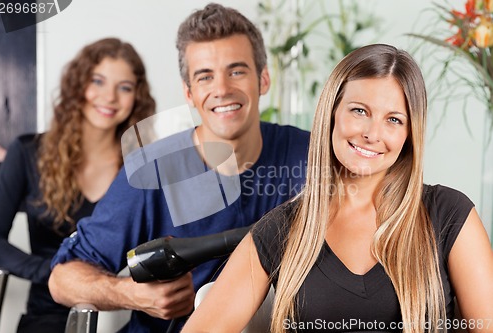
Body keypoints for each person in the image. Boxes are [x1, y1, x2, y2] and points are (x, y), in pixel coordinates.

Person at [182, 44, 493, 333]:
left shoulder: (449, 215)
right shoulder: (284, 229)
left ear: (410, 134)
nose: (373, 133)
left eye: (394, 120)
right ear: (332, 113)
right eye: (359, 111)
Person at [48, 3, 310, 333]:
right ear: (189, 92)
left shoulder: (310, 155)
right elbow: (62, 277)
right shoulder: (151, 171)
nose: (222, 89)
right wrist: (133, 294)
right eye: (205, 76)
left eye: (237, 71)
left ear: (264, 79)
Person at [0, 38, 155, 333]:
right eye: (98, 81)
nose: (110, 97)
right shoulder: (28, 153)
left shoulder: (145, 166)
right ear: (77, 84)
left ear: (137, 97)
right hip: (48, 319)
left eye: (125, 87)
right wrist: (53, 271)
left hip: (128, 316)